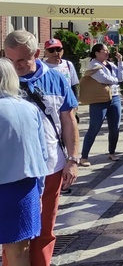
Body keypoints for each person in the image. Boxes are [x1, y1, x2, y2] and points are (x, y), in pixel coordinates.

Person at [3, 30, 79, 266]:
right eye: (10, 60)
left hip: (51, 167)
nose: (16, 66)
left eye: (22, 60)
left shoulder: (56, 79)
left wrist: (73, 159)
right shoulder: (3, 81)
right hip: (15, 173)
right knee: (14, 237)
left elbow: (69, 119)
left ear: (36, 54)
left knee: (45, 230)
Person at [0, 58, 49, 266]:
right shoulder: (30, 109)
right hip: (24, 187)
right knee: (19, 253)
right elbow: (42, 153)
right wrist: (40, 191)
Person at [80, 43, 123, 165]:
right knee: (94, 127)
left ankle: (112, 152)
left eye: (107, 50)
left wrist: (120, 61)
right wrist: (115, 81)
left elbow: (121, 77)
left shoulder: (110, 64)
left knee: (115, 127)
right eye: (104, 51)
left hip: (114, 96)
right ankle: (84, 156)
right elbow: (104, 79)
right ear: (97, 53)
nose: (107, 52)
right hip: (99, 99)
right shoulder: (94, 65)